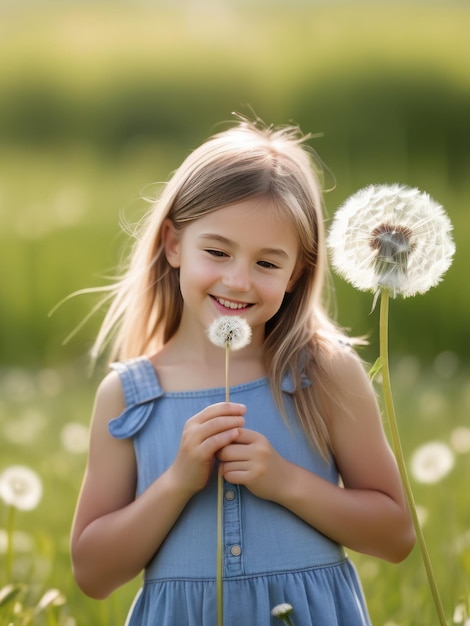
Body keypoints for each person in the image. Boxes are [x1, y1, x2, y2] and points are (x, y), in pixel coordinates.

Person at [70, 116, 415, 625]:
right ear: (172, 245)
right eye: (217, 252)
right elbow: (93, 574)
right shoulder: (129, 395)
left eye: (267, 264)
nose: (237, 280)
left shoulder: (324, 376)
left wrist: (285, 481)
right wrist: (177, 483)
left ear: (297, 273)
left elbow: (396, 536)